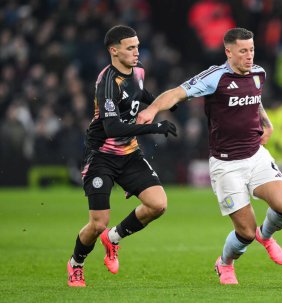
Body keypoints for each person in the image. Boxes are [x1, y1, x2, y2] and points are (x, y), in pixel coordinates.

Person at [137, 27, 282, 285]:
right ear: (229, 52)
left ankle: (265, 236)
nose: (249, 56)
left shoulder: (259, 73)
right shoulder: (215, 77)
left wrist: (267, 124)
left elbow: (255, 100)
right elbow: (177, 93)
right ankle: (225, 264)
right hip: (226, 165)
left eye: (252, 49)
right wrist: (153, 109)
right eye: (243, 51)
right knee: (244, 232)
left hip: (255, 156)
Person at [67, 25, 177, 287]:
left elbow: (143, 97)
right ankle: (76, 264)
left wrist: (170, 101)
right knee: (97, 223)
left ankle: (113, 238)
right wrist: (154, 127)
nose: (137, 51)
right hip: (101, 157)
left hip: (129, 154)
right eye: (130, 47)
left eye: (138, 46)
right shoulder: (107, 83)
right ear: (113, 51)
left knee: (158, 204)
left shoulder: (138, 72)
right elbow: (112, 128)